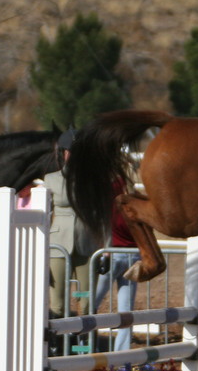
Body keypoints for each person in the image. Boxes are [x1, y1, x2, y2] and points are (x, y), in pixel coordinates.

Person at [45, 128, 99, 321]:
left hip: (86, 244)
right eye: (71, 152)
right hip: (58, 245)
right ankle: (56, 346)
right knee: (58, 302)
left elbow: (102, 215)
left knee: (84, 300)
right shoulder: (50, 179)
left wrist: (106, 247)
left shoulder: (93, 180)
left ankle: (82, 345)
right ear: (64, 153)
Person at [91, 179, 139, 353]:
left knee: (91, 301)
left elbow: (101, 225)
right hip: (133, 255)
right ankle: (122, 352)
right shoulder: (135, 203)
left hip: (112, 253)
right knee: (126, 309)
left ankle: (84, 346)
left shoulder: (108, 202)